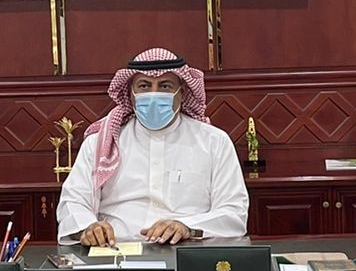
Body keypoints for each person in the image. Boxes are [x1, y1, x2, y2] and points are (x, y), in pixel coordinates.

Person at [56, 48, 248, 246]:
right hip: (116, 251)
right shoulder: (100, 143)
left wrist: (187, 227)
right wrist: (89, 228)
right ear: (131, 94)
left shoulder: (214, 142)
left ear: (182, 93)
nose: (153, 94)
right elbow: (73, 201)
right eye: (144, 86)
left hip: (186, 251)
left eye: (165, 86)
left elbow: (233, 212)